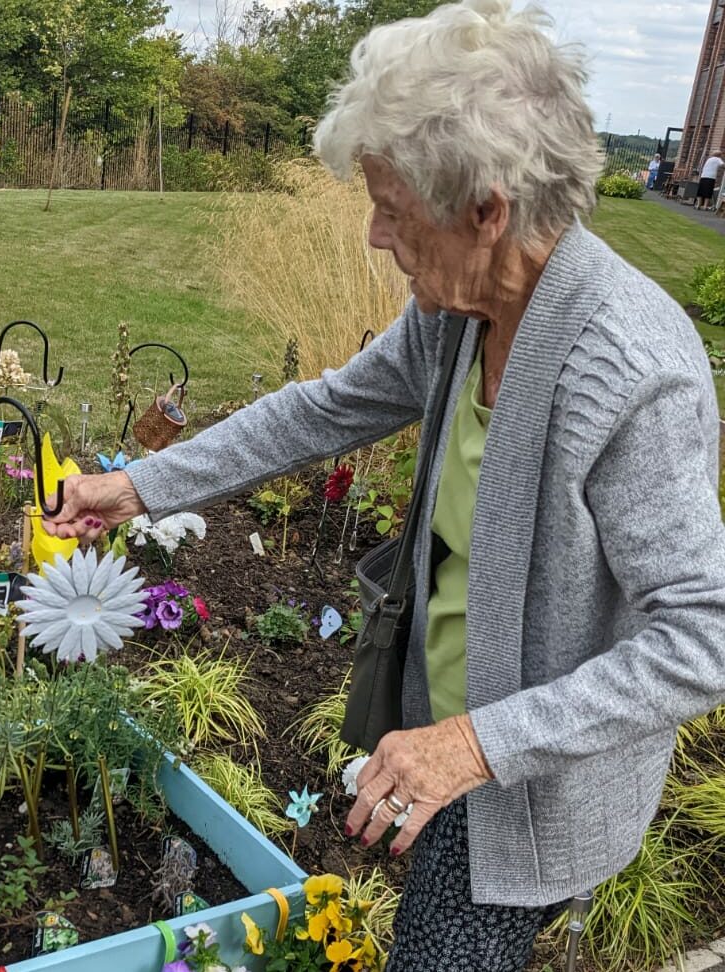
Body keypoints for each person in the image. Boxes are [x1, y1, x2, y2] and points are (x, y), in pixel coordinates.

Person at [42, 1, 725, 969]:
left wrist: (473, 746)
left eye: (392, 207)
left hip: (518, 794)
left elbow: (702, 636)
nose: (371, 234)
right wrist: (142, 487)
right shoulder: (463, 311)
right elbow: (319, 411)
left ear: (488, 210)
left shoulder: (630, 371)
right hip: (452, 740)